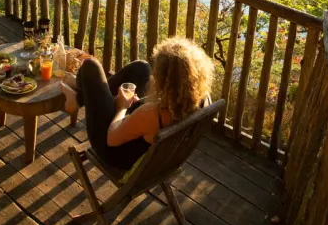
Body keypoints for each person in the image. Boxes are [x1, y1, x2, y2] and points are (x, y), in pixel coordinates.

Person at [60, 37, 214, 171]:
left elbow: (112, 138)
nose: (153, 74)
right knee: (141, 68)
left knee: (90, 66)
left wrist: (122, 108)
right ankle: (81, 94)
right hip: (142, 139)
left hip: (111, 148)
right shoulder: (199, 101)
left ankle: (79, 97)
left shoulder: (151, 114)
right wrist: (139, 103)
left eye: (157, 71)